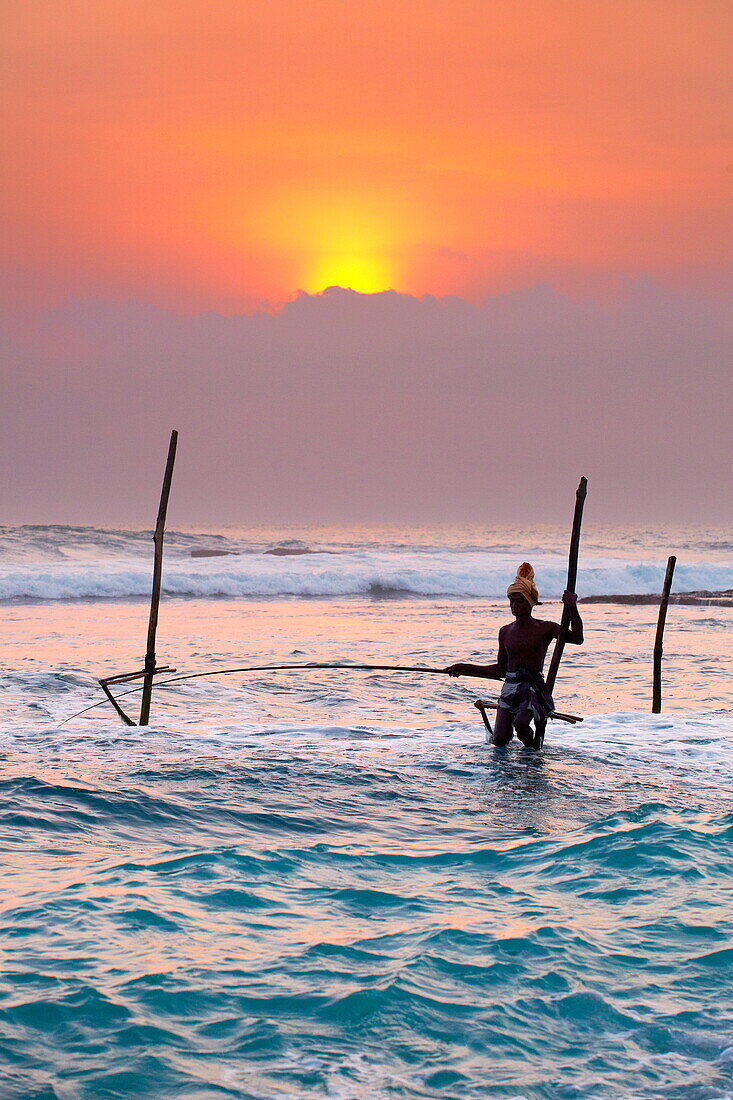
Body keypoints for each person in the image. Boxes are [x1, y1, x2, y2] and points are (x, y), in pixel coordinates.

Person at [444, 563, 583, 747]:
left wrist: (572, 607)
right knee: (499, 739)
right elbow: (501, 670)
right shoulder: (505, 631)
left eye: (519, 601)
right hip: (510, 688)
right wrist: (465, 668)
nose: (514, 605)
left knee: (520, 723)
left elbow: (577, 638)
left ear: (530, 602)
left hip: (532, 689)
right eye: (512, 600)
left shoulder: (545, 628)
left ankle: (532, 752)